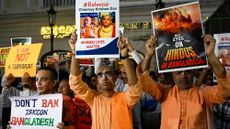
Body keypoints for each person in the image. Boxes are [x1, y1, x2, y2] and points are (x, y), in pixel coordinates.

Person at [138, 34, 230, 129]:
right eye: (178, 72)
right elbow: (143, 82)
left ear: (194, 72)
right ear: (172, 74)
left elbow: (227, 90)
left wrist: (211, 55)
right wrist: (148, 55)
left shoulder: (204, 95)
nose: (184, 75)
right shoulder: (165, 93)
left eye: (188, 71)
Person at [68, 32, 142, 129]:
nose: (104, 78)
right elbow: (75, 83)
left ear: (115, 78)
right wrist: (74, 51)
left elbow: (135, 89)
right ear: (97, 81)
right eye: (100, 75)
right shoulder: (93, 99)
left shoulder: (125, 98)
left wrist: (124, 56)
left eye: (108, 73)